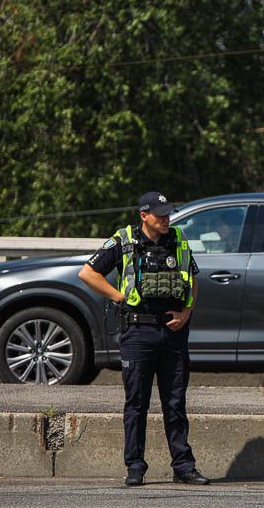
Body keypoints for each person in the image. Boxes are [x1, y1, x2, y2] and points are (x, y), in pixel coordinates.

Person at [78, 191, 210, 488]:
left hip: (173, 332)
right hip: (137, 333)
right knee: (136, 403)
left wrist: (187, 313)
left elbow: (192, 279)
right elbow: (87, 273)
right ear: (144, 216)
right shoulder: (124, 241)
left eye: (168, 213)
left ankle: (183, 466)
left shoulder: (178, 240)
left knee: (175, 403)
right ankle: (135, 466)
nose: (166, 218)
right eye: (160, 214)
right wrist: (120, 297)